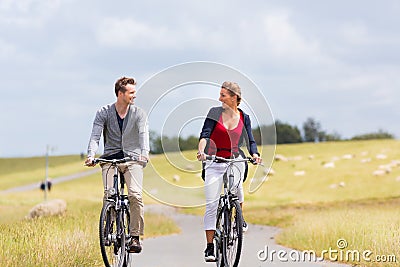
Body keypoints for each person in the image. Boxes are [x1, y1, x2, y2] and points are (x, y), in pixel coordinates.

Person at [197, 81, 262, 262]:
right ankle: (210, 247)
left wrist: (255, 154)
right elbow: (205, 135)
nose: (220, 98)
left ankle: (238, 218)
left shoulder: (244, 117)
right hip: (214, 160)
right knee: (211, 204)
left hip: (234, 158)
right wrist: (201, 151)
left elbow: (250, 141)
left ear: (234, 98)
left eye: (223, 95)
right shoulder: (214, 113)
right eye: (220, 95)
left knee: (237, 186)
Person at [85, 76, 150, 253]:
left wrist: (145, 153)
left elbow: (144, 134)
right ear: (120, 94)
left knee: (135, 195)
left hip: (132, 160)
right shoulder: (104, 112)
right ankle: (109, 225)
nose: (134, 96)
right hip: (110, 159)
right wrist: (91, 155)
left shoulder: (139, 114)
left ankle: (135, 236)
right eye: (131, 93)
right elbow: (95, 136)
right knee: (109, 193)